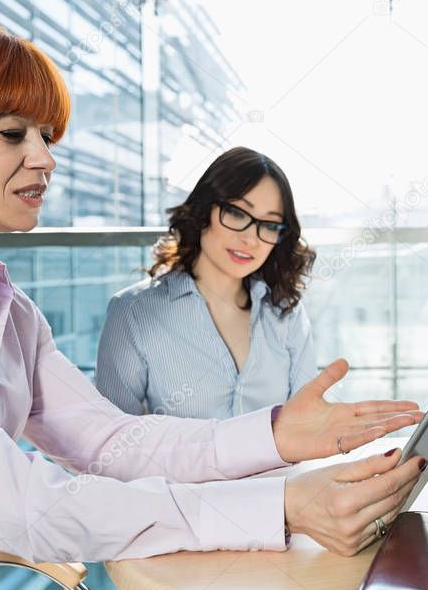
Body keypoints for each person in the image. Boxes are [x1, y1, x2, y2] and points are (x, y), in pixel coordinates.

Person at [0, 21, 425, 590]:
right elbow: (30, 509)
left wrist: (275, 434)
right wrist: (277, 504)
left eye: (47, 136)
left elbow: (108, 441)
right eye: (12, 134)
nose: (44, 158)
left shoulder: (1, 308)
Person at [96, 146, 318, 419]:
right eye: (237, 213)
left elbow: (306, 424)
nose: (251, 239)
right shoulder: (132, 312)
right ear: (203, 212)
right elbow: (113, 440)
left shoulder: (285, 312)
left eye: (270, 225)